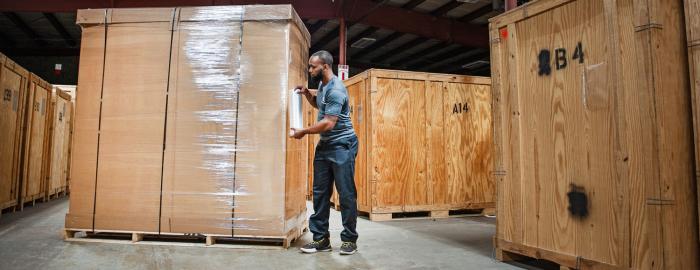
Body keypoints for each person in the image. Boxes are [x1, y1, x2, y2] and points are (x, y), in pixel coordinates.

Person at [289, 50, 359, 255]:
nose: (310, 70)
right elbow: (320, 105)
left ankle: (349, 240)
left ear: (325, 67)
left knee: (345, 193)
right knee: (319, 194)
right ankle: (320, 239)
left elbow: (328, 122)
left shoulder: (336, 89)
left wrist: (304, 131)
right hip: (325, 146)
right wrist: (308, 94)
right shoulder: (323, 84)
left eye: (313, 66)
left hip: (342, 145)